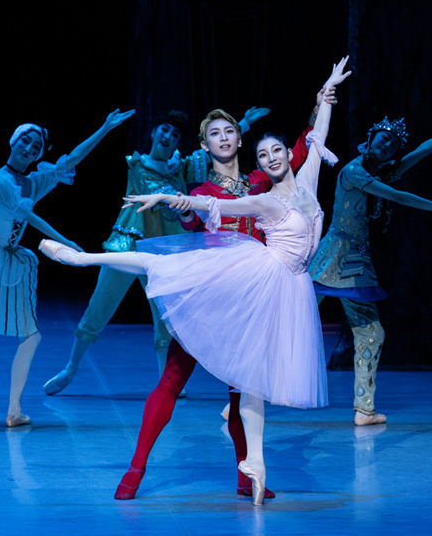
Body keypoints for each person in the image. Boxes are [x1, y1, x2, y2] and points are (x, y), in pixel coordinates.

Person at [38, 57, 351, 505]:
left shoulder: (261, 180)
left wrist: (323, 100)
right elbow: (193, 214)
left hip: (256, 298)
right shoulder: (205, 191)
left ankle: (246, 476)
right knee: (172, 379)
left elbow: (302, 152)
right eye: (214, 134)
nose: (223, 138)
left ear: (240, 139)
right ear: (204, 146)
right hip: (215, 295)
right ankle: (136, 468)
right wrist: (174, 203)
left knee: (244, 392)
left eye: (229, 131)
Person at [42, 107, 271, 396]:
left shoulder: (181, 168)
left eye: (175, 135)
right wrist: (106, 127)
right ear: (153, 133)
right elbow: (80, 159)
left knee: (167, 318)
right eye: (164, 130)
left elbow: (216, 148)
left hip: (164, 254)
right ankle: (71, 367)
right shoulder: (136, 164)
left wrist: (244, 123)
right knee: (100, 306)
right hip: (128, 245)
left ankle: (166, 382)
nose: (168, 136)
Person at [0, 108, 135, 427]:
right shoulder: (1, 180)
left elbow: (71, 160)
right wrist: (66, 242)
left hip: (8, 260)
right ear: (13, 141)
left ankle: (14, 411)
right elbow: (28, 216)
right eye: (25, 141)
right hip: (4, 258)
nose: (29, 148)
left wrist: (105, 127)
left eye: (36, 147)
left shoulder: (33, 182)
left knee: (31, 337)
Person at [308, 118, 432, 425]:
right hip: (332, 259)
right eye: (384, 138)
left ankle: (364, 409)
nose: (388, 145)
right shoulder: (355, 171)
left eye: (394, 145)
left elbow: (414, 155)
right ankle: (243, 396)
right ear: (371, 136)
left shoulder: (377, 171)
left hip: (355, 263)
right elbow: (398, 196)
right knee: (289, 323)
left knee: (371, 333)